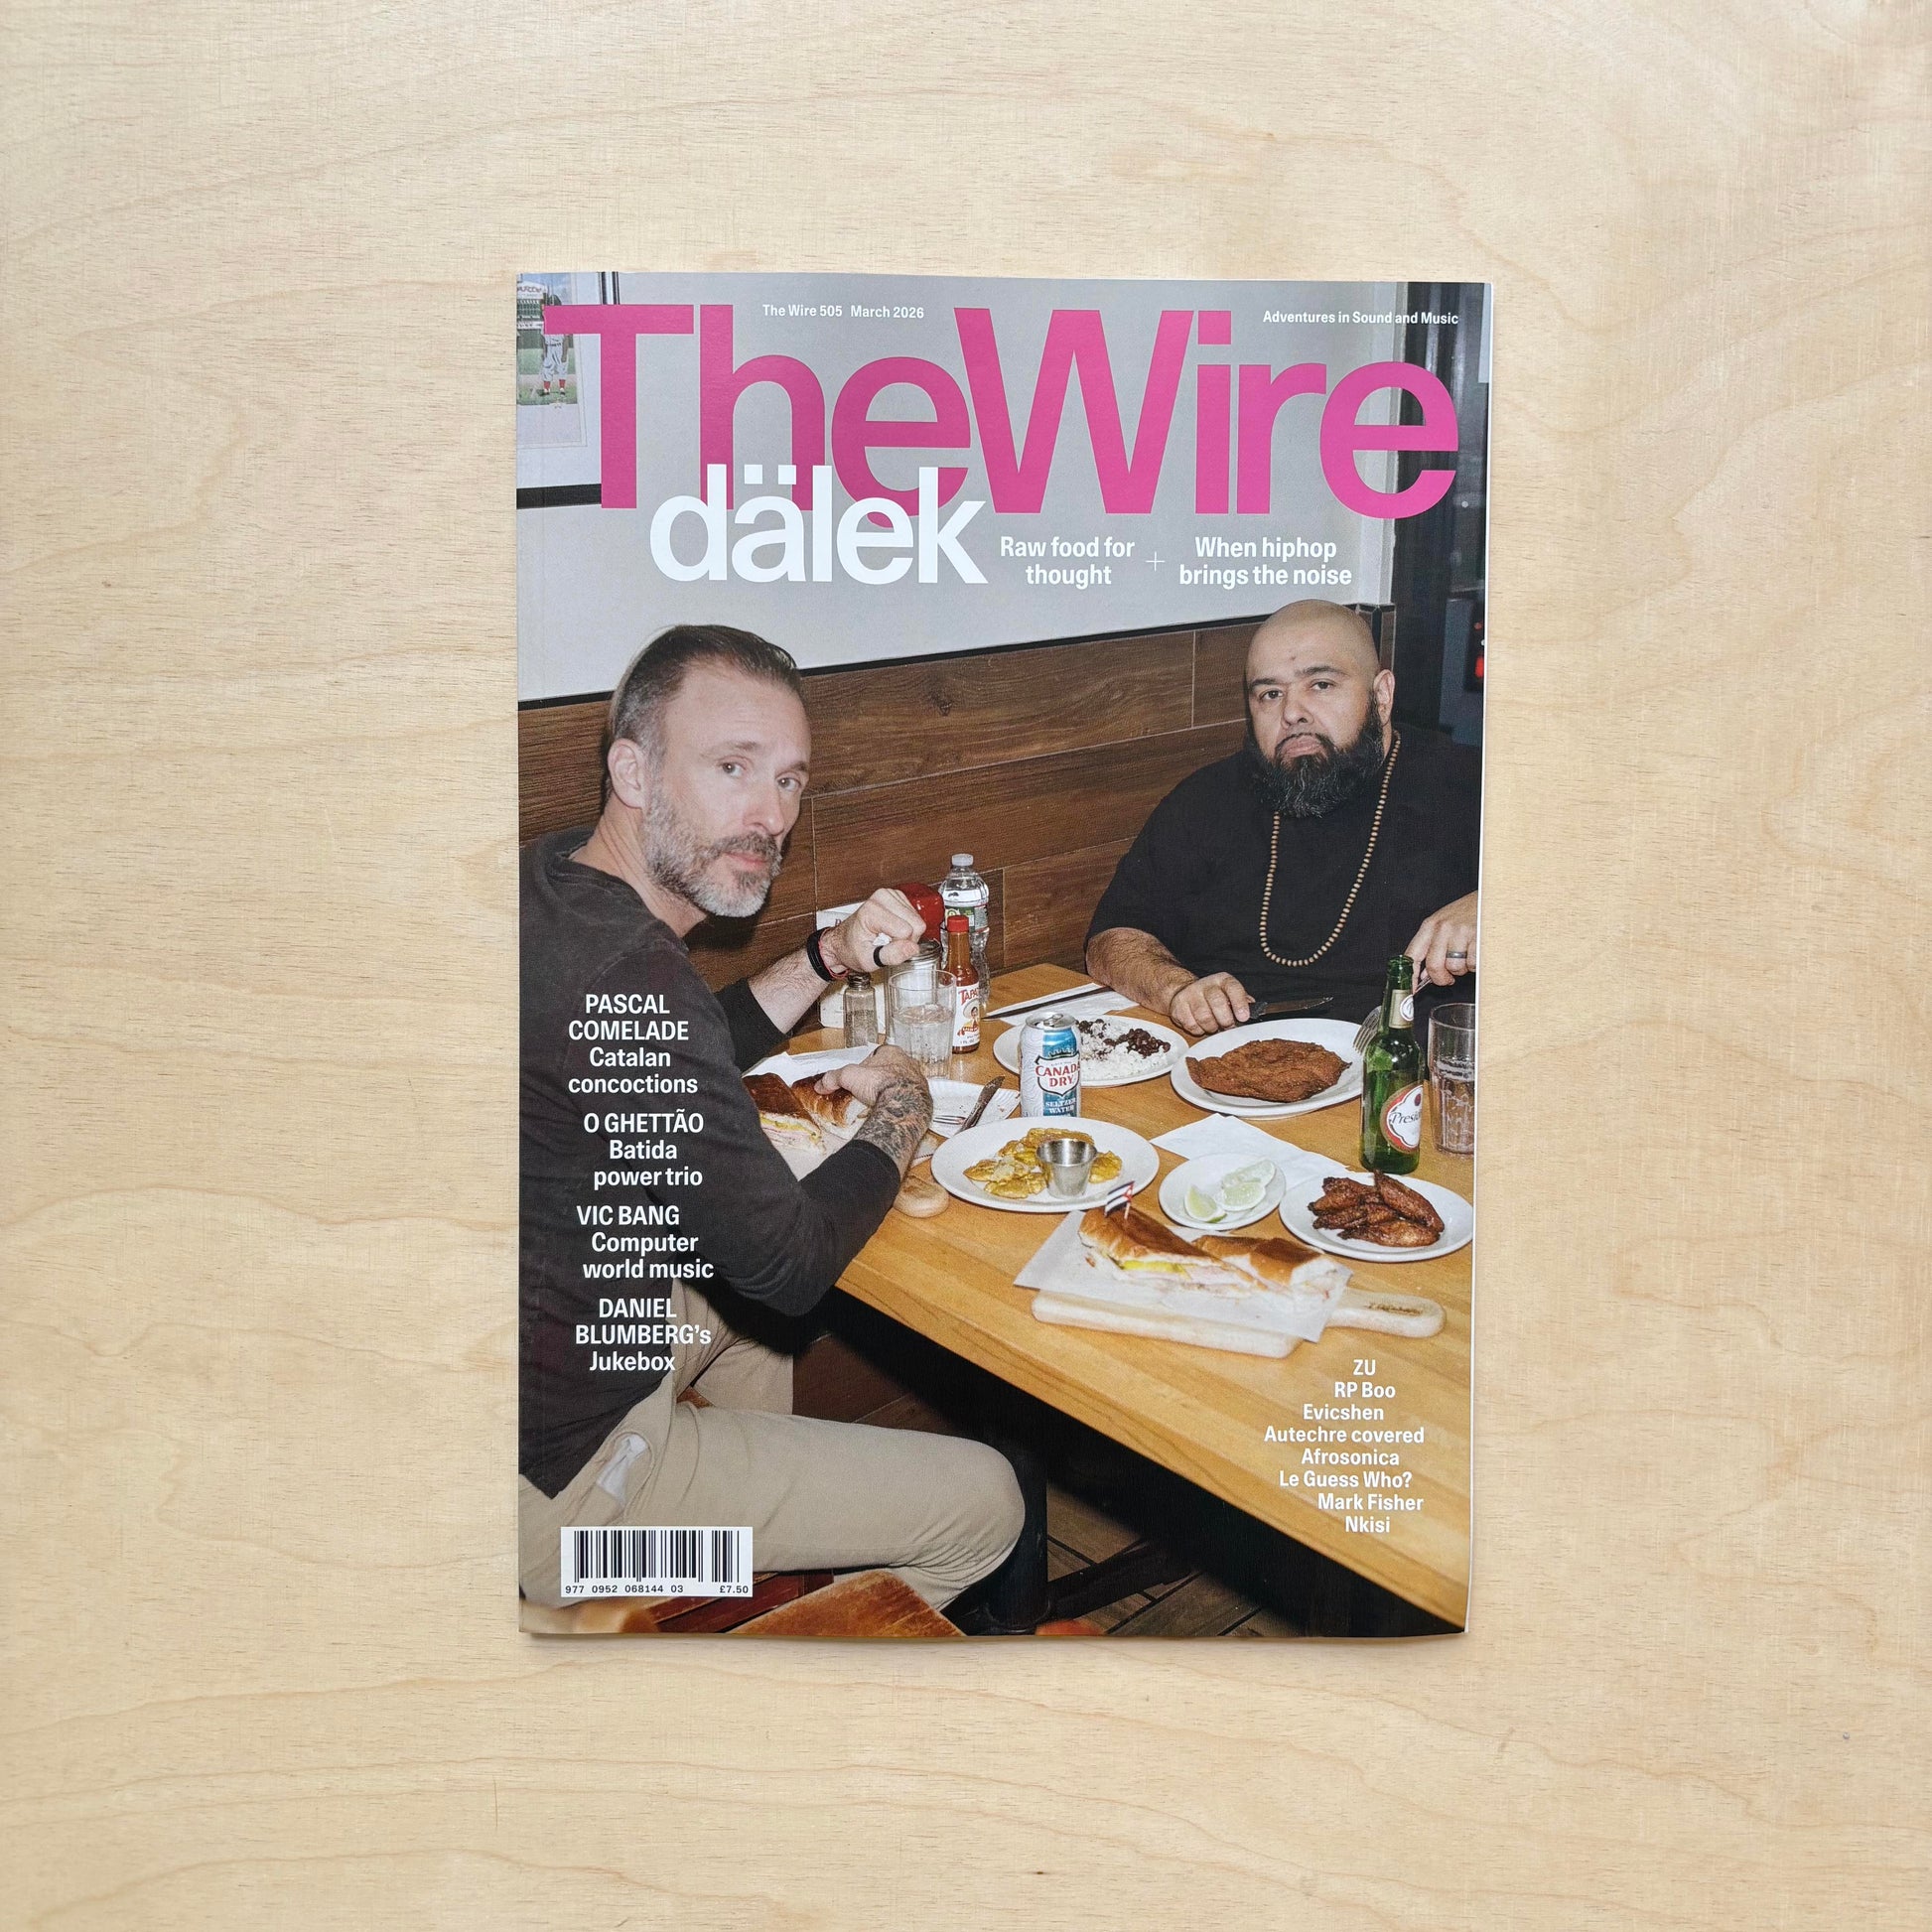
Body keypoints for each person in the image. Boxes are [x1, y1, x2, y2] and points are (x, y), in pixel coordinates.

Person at [519, 623, 1024, 1615]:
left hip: (540, 1366)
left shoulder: (557, 882)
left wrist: (826, 958)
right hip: (559, 1491)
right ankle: (727, 1627)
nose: (771, 815)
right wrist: (904, 1108)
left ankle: (755, 1571)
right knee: (986, 1503)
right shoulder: (632, 972)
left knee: (746, 1314)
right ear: (631, 769)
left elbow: (683, 1040)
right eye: (732, 768)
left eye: (789, 779)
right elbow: (791, 1264)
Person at [1086, 599, 1479, 1035]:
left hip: (1402, 1062)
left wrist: (1493, 905)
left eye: (1321, 685)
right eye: (1270, 694)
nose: (1292, 712)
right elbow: (1111, 940)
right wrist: (1178, 990)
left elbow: (1547, 890)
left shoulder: (1473, 787)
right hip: (1230, 1055)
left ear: (1381, 696)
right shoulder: (1207, 799)